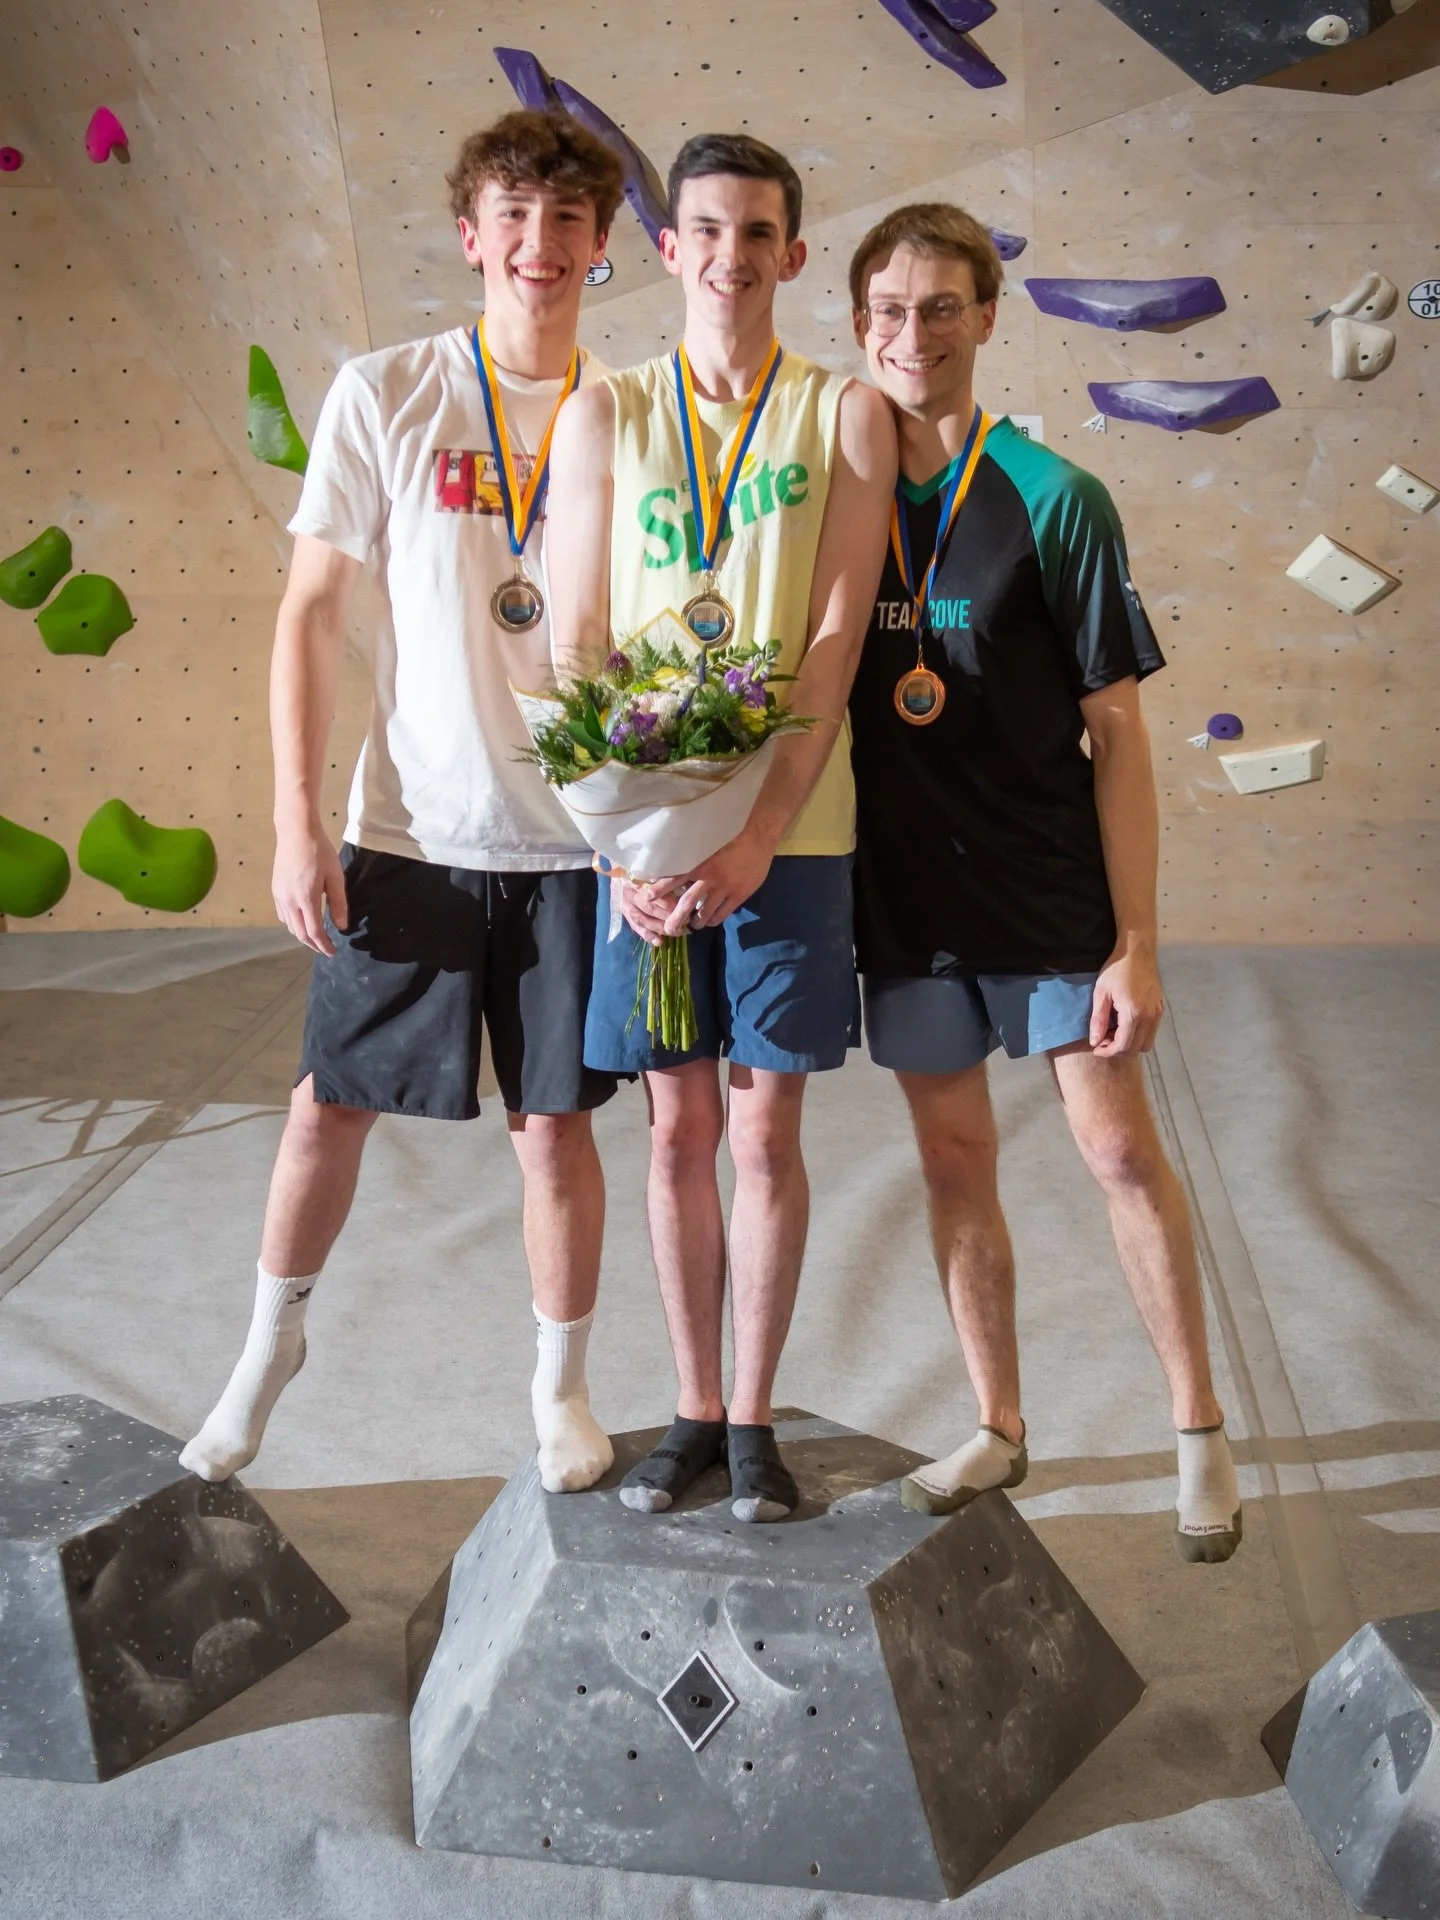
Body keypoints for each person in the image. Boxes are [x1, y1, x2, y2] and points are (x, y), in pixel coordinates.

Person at [180, 111, 626, 1496]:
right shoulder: (387, 392)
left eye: (566, 223)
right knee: (327, 1107)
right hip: (411, 831)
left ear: (601, 246)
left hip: (574, 843)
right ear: (470, 233)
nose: (538, 247)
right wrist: (292, 819)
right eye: (513, 216)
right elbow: (311, 613)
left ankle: (561, 1389)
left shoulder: (634, 412)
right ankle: (268, 1347)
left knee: (553, 1130)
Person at [846, 202, 1241, 1563]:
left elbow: (1120, 735)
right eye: (890, 310)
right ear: (858, 326)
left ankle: (1197, 1428)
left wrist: (1136, 939)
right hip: (905, 900)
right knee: (954, 1161)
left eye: (942, 307)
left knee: (1118, 1151)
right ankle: (999, 1427)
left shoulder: (1056, 495)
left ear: (986, 321)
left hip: (1047, 887)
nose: (914, 333)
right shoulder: (833, 504)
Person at [545, 134, 896, 1523]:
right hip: (639, 836)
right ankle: (690, 1409)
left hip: (791, 838)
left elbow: (832, 637)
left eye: (760, 232)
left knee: (762, 1136)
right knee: (676, 1132)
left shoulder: (843, 413)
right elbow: (575, 634)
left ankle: (753, 1424)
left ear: (793, 254)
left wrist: (756, 831)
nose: (733, 255)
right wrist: (615, 840)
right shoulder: (605, 413)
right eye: (708, 230)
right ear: (670, 247)